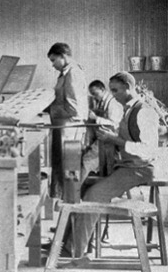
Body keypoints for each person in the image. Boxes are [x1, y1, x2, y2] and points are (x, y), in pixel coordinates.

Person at [68, 71, 159, 258]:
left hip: (140, 169)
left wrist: (115, 140)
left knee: (93, 195)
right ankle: (70, 242)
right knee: (85, 186)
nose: (114, 95)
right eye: (111, 90)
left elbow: (148, 151)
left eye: (116, 90)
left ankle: (76, 252)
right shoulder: (128, 109)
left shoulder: (144, 112)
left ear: (128, 87)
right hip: (128, 165)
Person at [46, 42, 89, 200]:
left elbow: (74, 109)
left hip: (70, 127)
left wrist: (49, 110)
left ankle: (70, 210)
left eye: (53, 60)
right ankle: (64, 212)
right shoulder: (66, 73)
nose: (53, 65)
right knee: (62, 169)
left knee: (69, 170)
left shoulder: (73, 73)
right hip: (64, 126)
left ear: (63, 56)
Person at [81, 80, 124, 182]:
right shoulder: (101, 103)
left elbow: (114, 124)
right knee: (83, 156)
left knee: (86, 161)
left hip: (110, 140)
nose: (95, 97)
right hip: (102, 139)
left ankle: (75, 193)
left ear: (102, 89)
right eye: (92, 95)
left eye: (95, 94)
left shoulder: (113, 103)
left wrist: (96, 118)